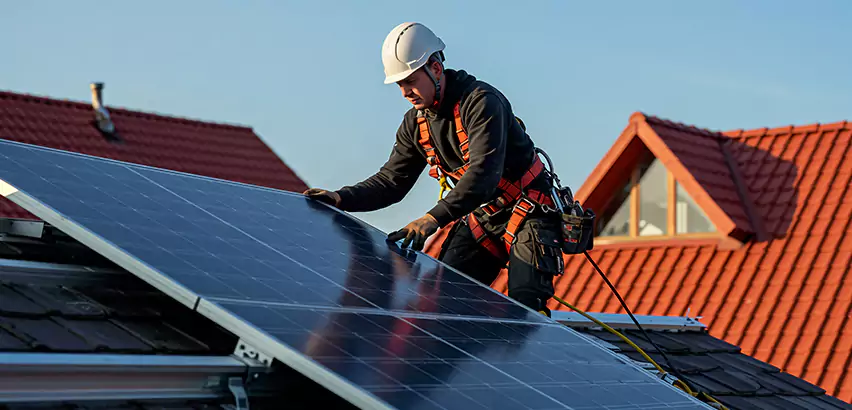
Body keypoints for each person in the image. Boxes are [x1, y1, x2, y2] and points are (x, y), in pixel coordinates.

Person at [304, 22, 566, 316]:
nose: (405, 92)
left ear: (436, 68)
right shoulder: (416, 124)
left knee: (524, 312)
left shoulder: (481, 103)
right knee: (442, 305)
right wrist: (342, 199)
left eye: (411, 81)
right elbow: (392, 181)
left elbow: (483, 177)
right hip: (483, 218)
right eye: (400, 85)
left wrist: (432, 219)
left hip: (529, 213)